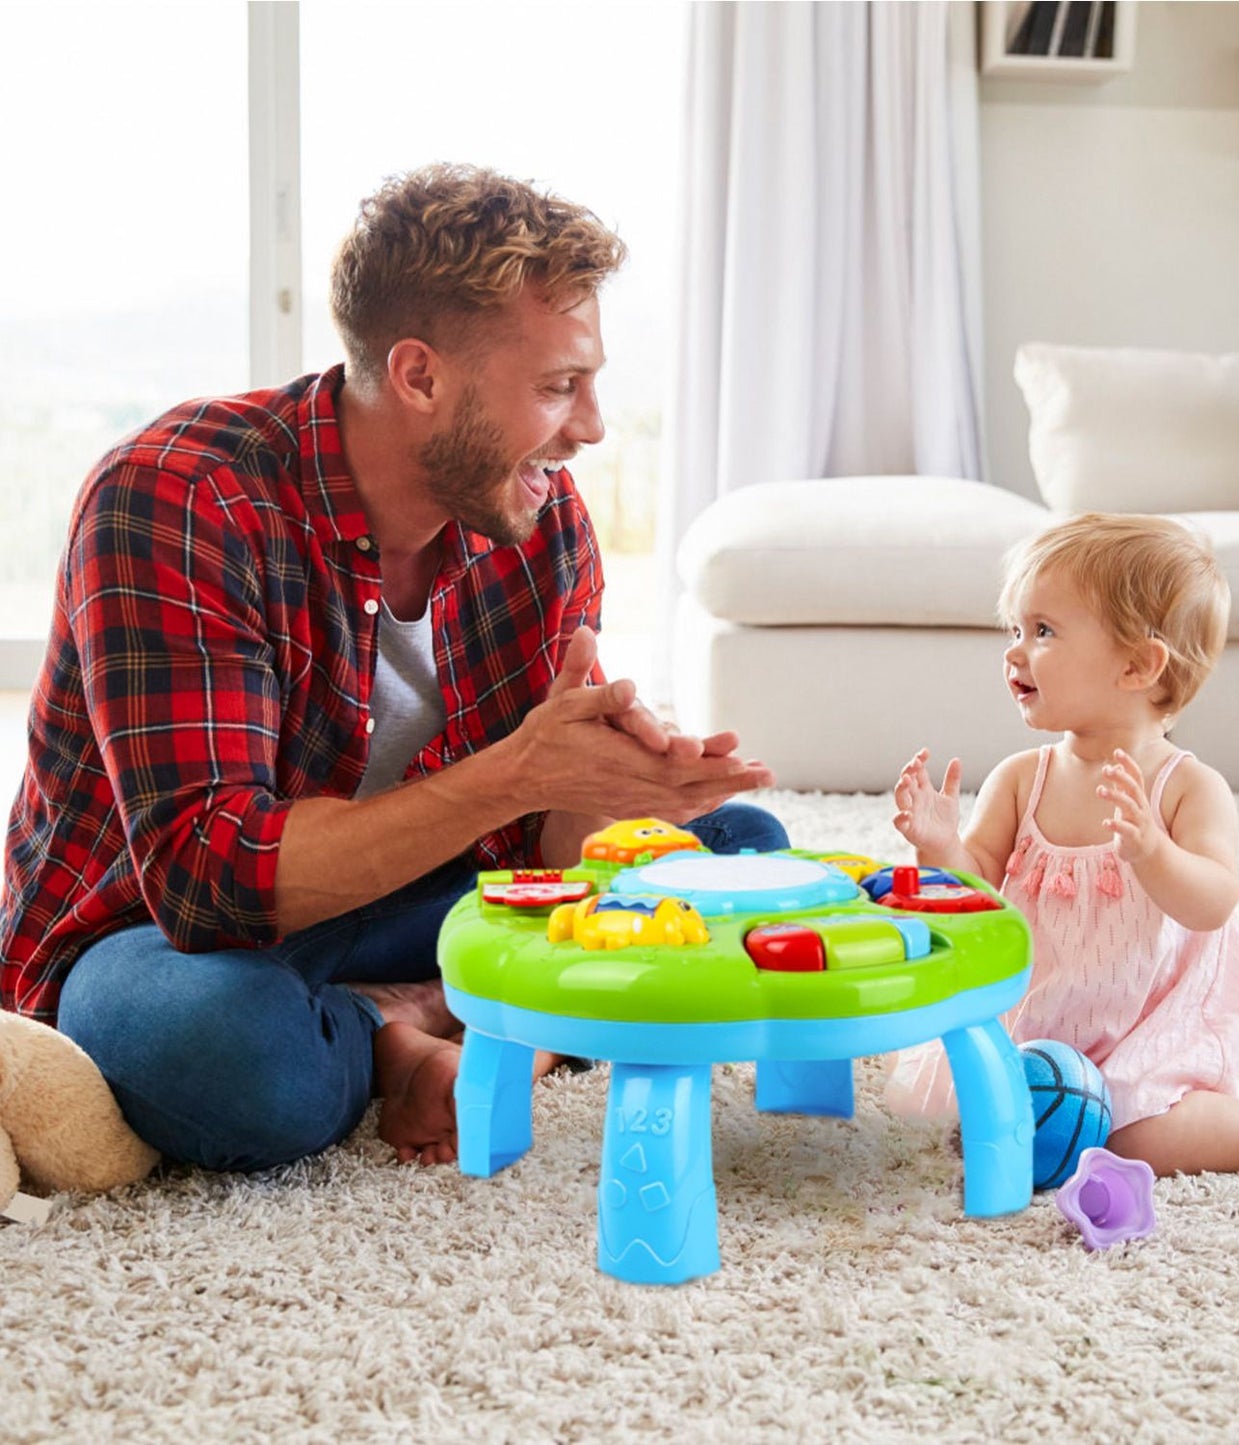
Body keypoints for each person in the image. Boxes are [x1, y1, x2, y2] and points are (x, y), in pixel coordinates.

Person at [0, 163, 785, 1174]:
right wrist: (522, 773)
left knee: (742, 854)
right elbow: (206, 880)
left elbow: (542, 859)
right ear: (419, 377)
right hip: (180, 940)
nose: (589, 426)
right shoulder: (177, 495)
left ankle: (456, 1024)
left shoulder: (536, 513)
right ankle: (425, 1028)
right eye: (555, 387)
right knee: (210, 1044)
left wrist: (605, 795)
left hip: (424, 904)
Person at [886, 513, 1239, 1199]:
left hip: (1141, 1026)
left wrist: (1151, 851)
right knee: (950, 1105)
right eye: (1015, 629)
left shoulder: (1187, 788)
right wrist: (940, 846)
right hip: (1036, 1016)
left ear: (1137, 665)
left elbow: (1213, 900)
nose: (1015, 651)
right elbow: (976, 897)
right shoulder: (1021, 778)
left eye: (1044, 631)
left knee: (1130, 1133)